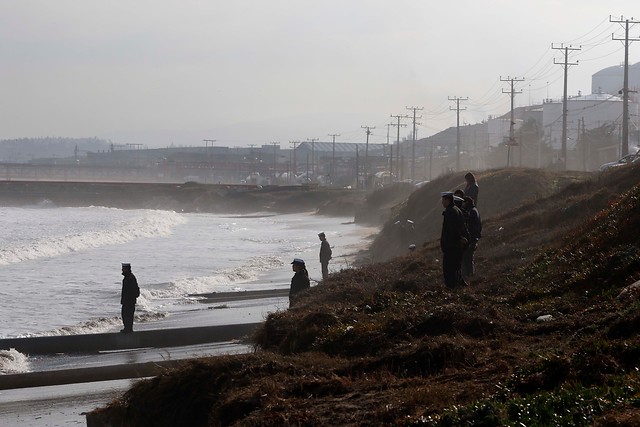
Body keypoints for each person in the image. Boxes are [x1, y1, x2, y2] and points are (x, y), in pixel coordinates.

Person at [440, 192, 470, 289]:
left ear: (447, 200)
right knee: (456, 268)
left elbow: (452, 230)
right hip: (455, 246)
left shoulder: (450, 212)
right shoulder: (457, 210)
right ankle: (457, 287)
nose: (442, 202)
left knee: (449, 269)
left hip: (451, 246)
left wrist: (459, 238)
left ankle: (452, 289)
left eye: (443, 200)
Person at [461, 196, 482, 280]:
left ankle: (468, 277)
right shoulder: (475, 210)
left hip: (471, 239)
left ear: (466, 202)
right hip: (474, 238)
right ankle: (471, 276)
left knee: (467, 259)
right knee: (469, 259)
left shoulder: (470, 212)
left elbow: (469, 227)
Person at [120, 263, 140, 333]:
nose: (122, 270)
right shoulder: (127, 278)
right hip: (127, 301)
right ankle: (127, 328)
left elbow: (135, 290)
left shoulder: (130, 278)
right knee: (125, 315)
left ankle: (128, 329)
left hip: (129, 301)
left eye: (123, 268)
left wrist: (130, 298)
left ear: (127, 269)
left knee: (128, 316)